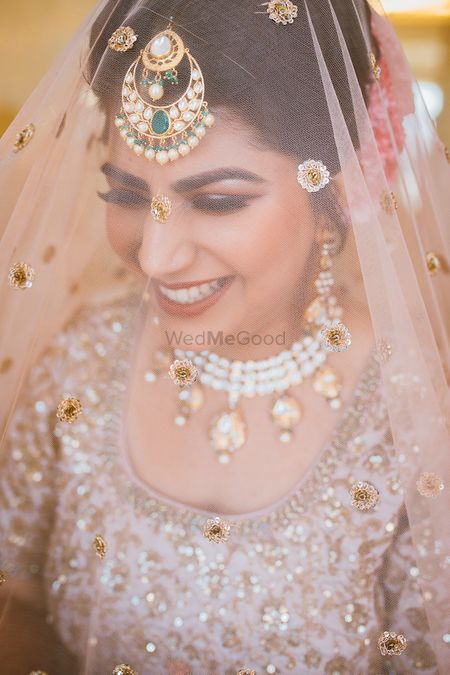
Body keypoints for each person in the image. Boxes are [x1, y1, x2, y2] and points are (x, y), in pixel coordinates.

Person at [0, 1, 449, 673]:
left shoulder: (414, 425)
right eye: (125, 195)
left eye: (216, 201)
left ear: (338, 191)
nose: (154, 256)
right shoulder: (77, 364)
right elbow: (17, 605)